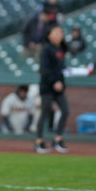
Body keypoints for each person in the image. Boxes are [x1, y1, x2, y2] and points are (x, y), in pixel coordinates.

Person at [34, 24, 69, 154]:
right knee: (45, 112)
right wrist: (54, 81)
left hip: (59, 86)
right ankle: (39, 141)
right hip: (48, 86)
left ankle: (58, 139)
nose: (60, 35)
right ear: (49, 35)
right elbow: (44, 69)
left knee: (65, 110)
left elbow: (60, 67)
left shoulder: (61, 49)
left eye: (61, 32)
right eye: (57, 32)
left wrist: (61, 82)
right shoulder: (46, 49)